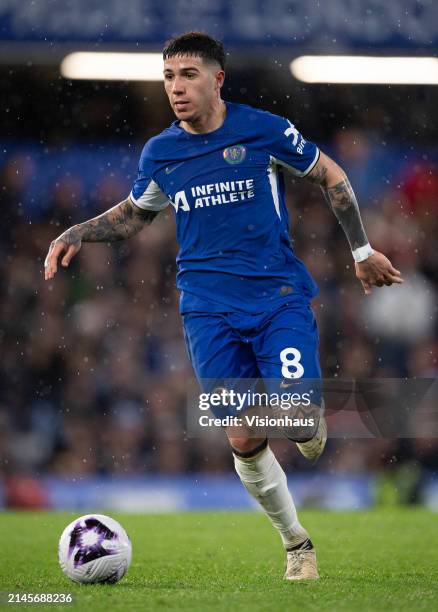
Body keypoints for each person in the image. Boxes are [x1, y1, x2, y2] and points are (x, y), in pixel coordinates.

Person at [44, 32, 403, 580]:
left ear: (217, 79)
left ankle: (307, 417)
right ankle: (296, 543)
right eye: (168, 77)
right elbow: (136, 215)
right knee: (241, 433)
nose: (176, 88)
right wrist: (78, 230)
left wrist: (360, 249)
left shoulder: (262, 130)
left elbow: (331, 174)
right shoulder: (160, 152)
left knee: (300, 418)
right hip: (206, 309)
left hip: (275, 296)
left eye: (188, 75)